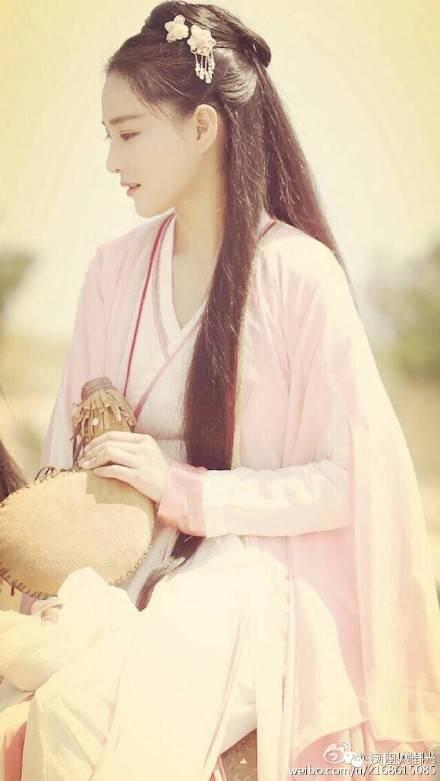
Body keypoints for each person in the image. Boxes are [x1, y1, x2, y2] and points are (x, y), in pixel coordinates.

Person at [1, 2, 439, 779]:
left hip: (255, 569)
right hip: (125, 557)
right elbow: (67, 452)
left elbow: (348, 478)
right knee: (60, 689)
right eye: (106, 135)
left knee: (87, 703)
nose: (110, 159)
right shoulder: (112, 271)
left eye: (128, 133)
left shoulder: (299, 275)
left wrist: (186, 490)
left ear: (203, 127)